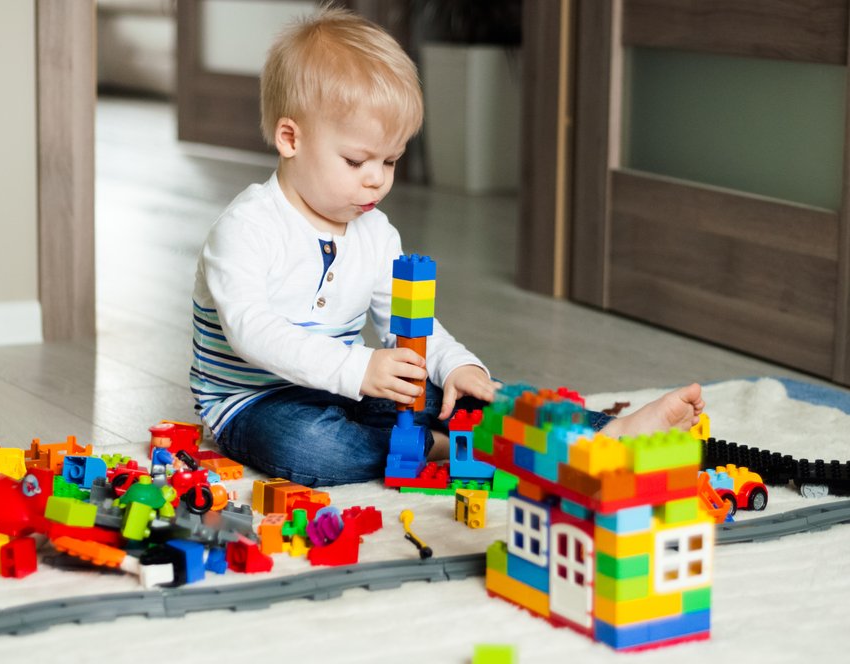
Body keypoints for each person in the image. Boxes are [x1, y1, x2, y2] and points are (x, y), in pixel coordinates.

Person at [189, 5, 704, 487]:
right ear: (290, 139)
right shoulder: (247, 227)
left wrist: (456, 364)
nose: (376, 181)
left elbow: (409, 325)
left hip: (350, 381)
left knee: (468, 394)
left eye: (389, 162)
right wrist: (358, 369)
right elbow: (250, 332)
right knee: (312, 448)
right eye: (356, 161)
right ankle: (443, 448)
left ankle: (604, 433)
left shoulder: (375, 232)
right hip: (251, 399)